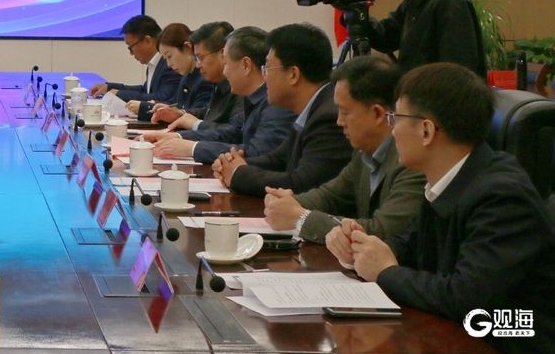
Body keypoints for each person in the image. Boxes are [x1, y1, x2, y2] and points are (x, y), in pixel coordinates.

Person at [345, 63, 555, 354]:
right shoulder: (448, 177)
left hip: (515, 337)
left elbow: (465, 298)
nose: (392, 131)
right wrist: (359, 248)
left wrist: (385, 272)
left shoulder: (501, 196)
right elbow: (409, 246)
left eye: (396, 118)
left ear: (426, 130)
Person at [263, 55, 424, 245]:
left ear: (377, 113)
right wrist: (288, 202)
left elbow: (383, 231)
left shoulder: (412, 162)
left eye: (345, 112)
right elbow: (330, 196)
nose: (339, 121)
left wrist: (301, 218)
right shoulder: (363, 153)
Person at [216, 23, 351, 197]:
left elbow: (302, 184)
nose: (264, 77)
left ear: (293, 74)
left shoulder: (329, 118)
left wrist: (238, 174)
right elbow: (278, 159)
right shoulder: (313, 107)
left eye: (267, 68)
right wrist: (231, 164)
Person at [145, 26, 294, 163]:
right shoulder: (253, 97)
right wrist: (178, 137)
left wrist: (192, 148)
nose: (225, 71)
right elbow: (232, 134)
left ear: (246, 65)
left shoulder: (276, 104)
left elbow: (258, 152)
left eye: (226, 64)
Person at [147, 21, 241, 131]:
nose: (198, 65)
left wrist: (192, 125)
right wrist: (180, 114)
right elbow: (207, 112)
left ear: (223, 54)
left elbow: (234, 133)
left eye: (200, 58)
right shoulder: (219, 83)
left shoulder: (241, 87)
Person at [90, 15, 179, 103]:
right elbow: (145, 90)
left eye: (130, 47)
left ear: (148, 41)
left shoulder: (170, 64)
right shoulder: (155, 63)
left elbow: (163, 97)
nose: (131, 53)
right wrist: (109, 88)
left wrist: (120, 94)